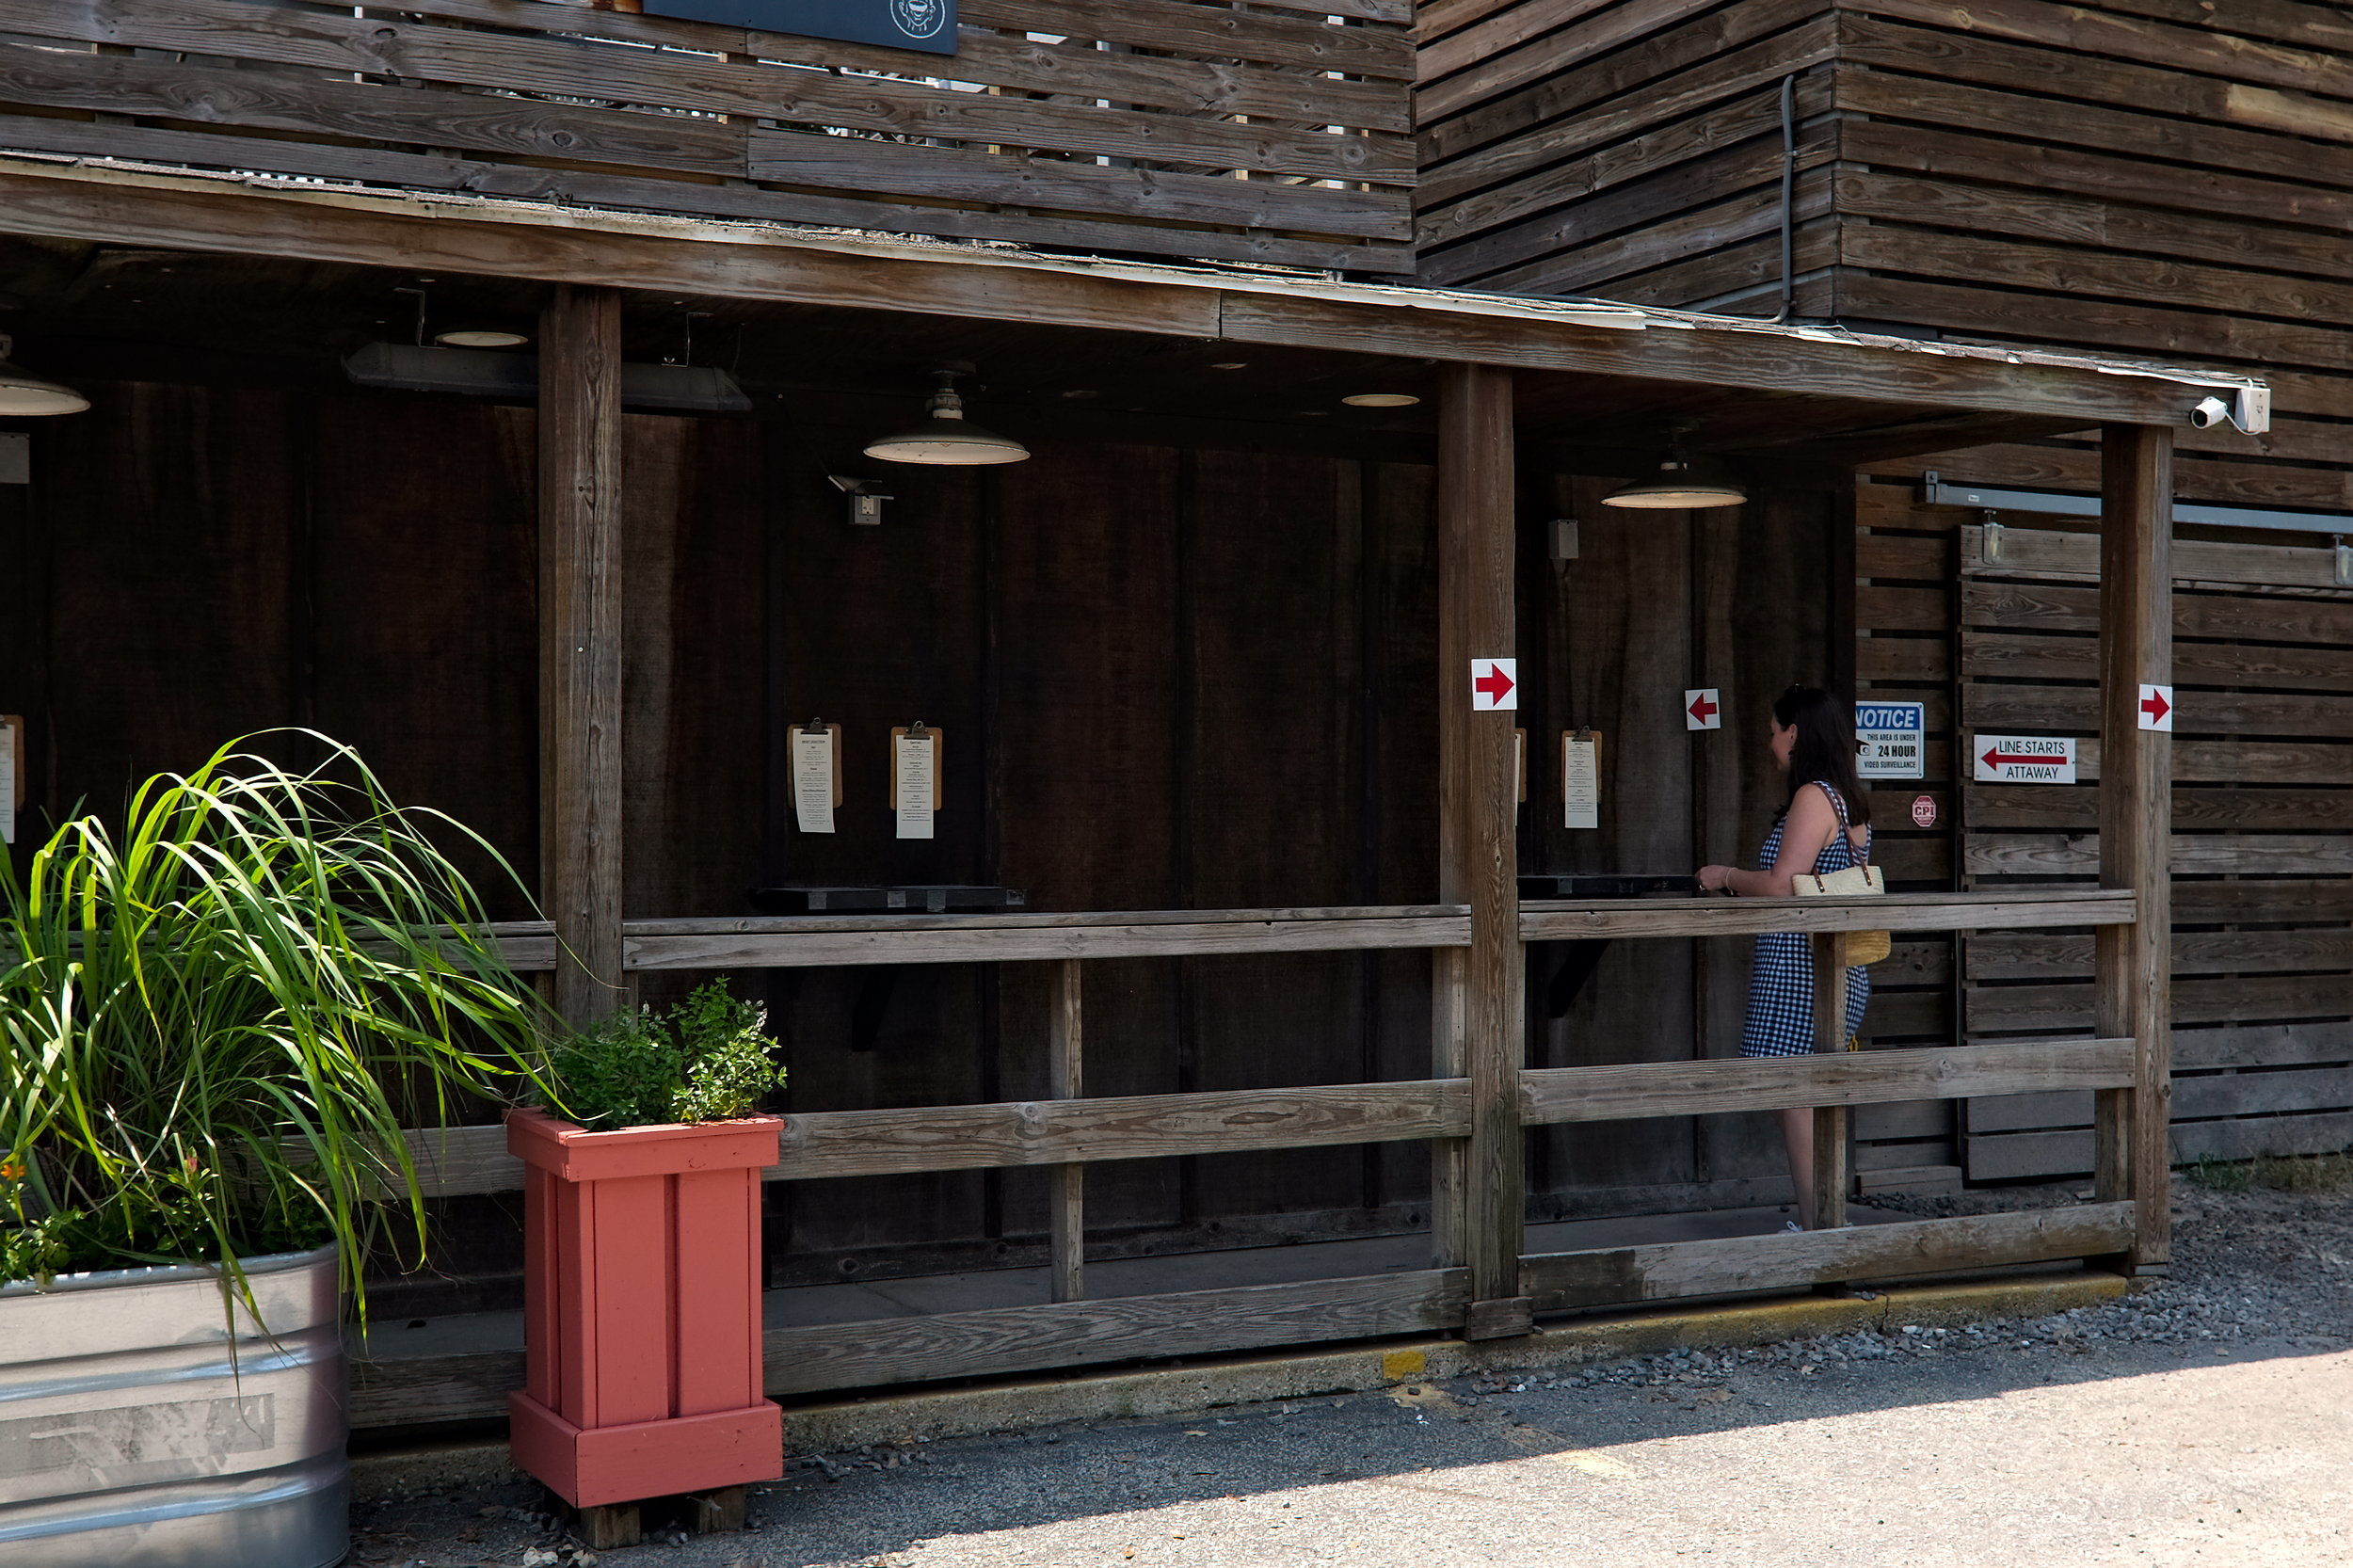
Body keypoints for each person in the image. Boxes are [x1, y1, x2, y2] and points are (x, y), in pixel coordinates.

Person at [1694, 684, 1872, 1230]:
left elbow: (1781, 884)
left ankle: (1821, 1225)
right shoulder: (1846, 796)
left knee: (1793, 1094)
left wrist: (1723, 877)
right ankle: (1823, 1218)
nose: (1770, 744)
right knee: (1801, 1093)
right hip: (1831, 964)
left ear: (1795, 733)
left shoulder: (1813, 796)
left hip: (1802, 968)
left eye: (1774, 732)